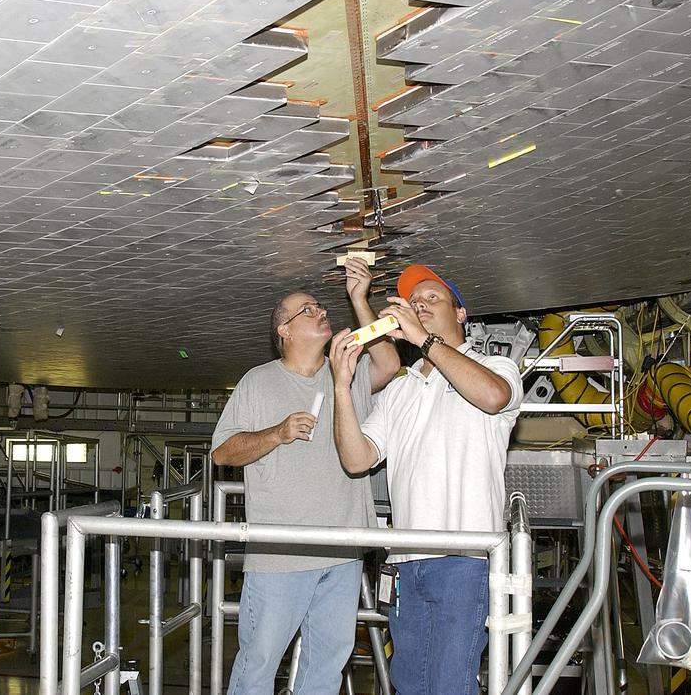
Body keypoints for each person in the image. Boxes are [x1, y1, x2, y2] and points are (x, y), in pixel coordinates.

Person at [327, 264, 524, 695]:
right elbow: (357, 458)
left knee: (450, 684)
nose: (420, 305)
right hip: (405, 564)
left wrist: (422, 340)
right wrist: (342, 386)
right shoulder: (401, 389)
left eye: (432, 298)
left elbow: (494, 398)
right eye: (415, 302)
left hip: (464, 561)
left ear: (461, 314)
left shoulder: (496, 366)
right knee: (409, 683)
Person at [211, 257, 400, 695]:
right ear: (285, 331)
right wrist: (276, 433)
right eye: (307, 310)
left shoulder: (346, 375)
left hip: (344, 549)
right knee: (259, 663)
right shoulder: (258, 383)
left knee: (328, 666)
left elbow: (388, 363)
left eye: (319, 306)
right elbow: (223, 452)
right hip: (282, 556)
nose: (320, 311)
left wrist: (359, 298)